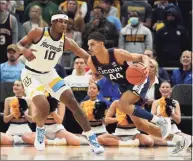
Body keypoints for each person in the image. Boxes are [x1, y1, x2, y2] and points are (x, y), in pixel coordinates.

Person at [86, 31, 189, 155]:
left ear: (101, 44)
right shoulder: (92, 63)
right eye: (88, 45)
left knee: (123, 103)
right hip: (125, 87)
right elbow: (102, 76)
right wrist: (93, 79)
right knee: (142, 126)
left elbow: (143, 57)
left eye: (92, 44)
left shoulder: (118, 54)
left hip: (139, 80)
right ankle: (181, 140)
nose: (89, 48)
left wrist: (145, 66)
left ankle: (158, 120)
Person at [16, 10, 104, 154]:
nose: (64, 24)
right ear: (53, 22)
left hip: (50, 75)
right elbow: (18, 45)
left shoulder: (67, 42)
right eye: (61, 21)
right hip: (31, 74)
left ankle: (91, 138)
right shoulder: (37, 32)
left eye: (66, 22)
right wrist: (24, 51)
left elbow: (86, 56)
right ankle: (40, 129)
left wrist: (98, 68)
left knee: (73, 102)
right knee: (44, 106)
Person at [150, 81, 191, 153]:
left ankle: (177, 141)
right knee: (150, 139)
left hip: (172, 128)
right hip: (159, 129)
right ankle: (177, 142)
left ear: (171, 89)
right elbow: (151, 120)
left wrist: (171, 113)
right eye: (163, 87)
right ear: (159, 89)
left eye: (167, 87)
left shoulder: (175, 102)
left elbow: (178, 120)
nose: (165, 89)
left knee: (190, 139)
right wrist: (159, 115)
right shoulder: (155, 102)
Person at [1, 80, 34, 145]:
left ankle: (22, 140)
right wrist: (14, 113)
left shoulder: (29, 100)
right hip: (12, 129)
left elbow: (32, 120)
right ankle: (13, 140)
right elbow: (5, 120)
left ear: (23, 88)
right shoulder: (8, 100)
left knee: (35, 137)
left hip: (25, 129)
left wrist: (23, 114)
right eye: (14, 85)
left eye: (17, 85)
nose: (15, 87)